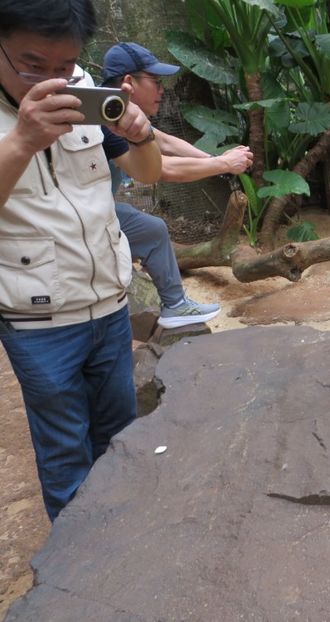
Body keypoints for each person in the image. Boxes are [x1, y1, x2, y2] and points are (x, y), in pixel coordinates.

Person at [0, 0, 161, 521]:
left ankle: (122, 547)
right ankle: (76, 583)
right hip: (38, 322)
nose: (51, 80)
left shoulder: (85, 89)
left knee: (120, 441)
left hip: (110, 307)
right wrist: (23, 140)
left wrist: (143, 135)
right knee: (67, 457)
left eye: (64, 66)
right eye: (32, 65)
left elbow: (148, 171)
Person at [100, 42, 253, 329]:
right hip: (77, 221)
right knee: (150, 231)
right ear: (128, 83)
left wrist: (217, 160)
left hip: (98, 208)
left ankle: (175, 306)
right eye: (155, 82)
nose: (161, 90)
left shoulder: (121, 114)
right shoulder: (106, 121)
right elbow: (161, 168)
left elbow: (166, 142)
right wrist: (223, 165)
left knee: (153, 230)